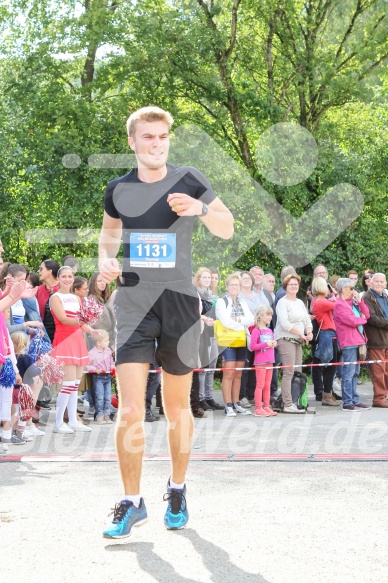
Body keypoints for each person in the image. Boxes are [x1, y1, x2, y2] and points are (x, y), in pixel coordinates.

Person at [98, 106, 233, 538]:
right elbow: (109, 234)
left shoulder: (188, 179)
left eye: (163, 137)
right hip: (134, 304)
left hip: (178, 302)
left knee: (177, 408)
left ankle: (177, 488)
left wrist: (199, 208)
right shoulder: (118, 189)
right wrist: (105, 262)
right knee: (132, 409)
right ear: (133, 142)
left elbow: (227, 227)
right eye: (148, 137)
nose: (157, 143)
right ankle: (131, 501)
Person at [50, 266, 92, 433]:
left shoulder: (77, 298)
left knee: (75, 384)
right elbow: (63, 319)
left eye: (70, 276)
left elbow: (82, 322)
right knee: (67, 384)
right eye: (64, 276)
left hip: (77, 340)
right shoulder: (55, 297)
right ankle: (58, 423)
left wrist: (91, 329)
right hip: (64, 340)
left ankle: (73, 420)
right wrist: (82, 320)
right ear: (58, 278)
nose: (67, 279)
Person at [215, 273, 254, 417]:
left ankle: (236, 403)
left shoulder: (242, 302)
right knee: (229, 372)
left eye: (236, 285)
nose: (234, 287)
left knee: (238, 373)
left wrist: (236, 319)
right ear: (227, 286)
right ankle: (228, 405)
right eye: (232, 285)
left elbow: (251, 319)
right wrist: (240, 322)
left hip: (241, 340)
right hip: (227, 342)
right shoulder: (221, 301)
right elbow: (225, 321)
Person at [274, 274, 313, 413]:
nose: (294, 286)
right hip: (285, 338)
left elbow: (307, 321)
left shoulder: (300, 302)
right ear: (286, 286)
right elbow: (284, 323)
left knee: (298, 371)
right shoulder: (282, 302)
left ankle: (296, 401)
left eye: (296, 284)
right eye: (291, 284)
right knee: (289, 371)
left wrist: (309, 332)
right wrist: (300, 334)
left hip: (298, 340)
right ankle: (287, 403)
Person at [333, 278, 370, 411]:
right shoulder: (339, 305)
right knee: (348, 374)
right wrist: (363, 320)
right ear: (343, 288)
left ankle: (355, 399)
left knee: (355, 373)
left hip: (359, 340)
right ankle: (347, 402)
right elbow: (352, 321)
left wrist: (360, 301)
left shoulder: (353, 302)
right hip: (348, 342)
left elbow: (367, 314)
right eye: (352, 288)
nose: (354, 291)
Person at [311, 277, 340, 406]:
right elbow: (337, 305)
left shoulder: (316, 302)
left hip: (327, 334)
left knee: (328, 365)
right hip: (327, 334)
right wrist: (335, 294)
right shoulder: (321, 302)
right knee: (331, 365)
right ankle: (327, 395)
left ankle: (326, 393)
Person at [363, 273, 388, 407]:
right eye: (376, 281)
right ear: (371, 283)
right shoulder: (367, 297)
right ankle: (379, 399)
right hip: (376, 339)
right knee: (378, 371)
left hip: (386, 339)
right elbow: (371, 318)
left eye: (382, 282)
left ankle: (384, 396)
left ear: (385, 284)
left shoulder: (385, 296)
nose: (379, 284)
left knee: (386, 370)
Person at [250, 305, 277, 417]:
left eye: (271, 315)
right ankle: (258, 408)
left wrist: (274, 344)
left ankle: (266, 406)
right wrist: (266, 344)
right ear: (260, 316)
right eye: (268, 314)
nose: (270, 317)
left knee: (267, 385)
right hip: (261, 362)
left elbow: (271, 343)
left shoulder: (270, 330)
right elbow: (252, 346)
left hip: (270, 361)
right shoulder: (256, 330)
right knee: (260, 385)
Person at [86, 330, 115, 424]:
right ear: (98, 343)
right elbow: (87, 365)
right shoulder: (92, 353)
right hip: (98, 377)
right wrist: (95, 369)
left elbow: (111, 361)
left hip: (108, 376)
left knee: (107, 397)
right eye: (106, 341)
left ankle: (107, 415)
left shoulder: (108, 351)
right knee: (99, 397)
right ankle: (99, 415)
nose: (108, 342)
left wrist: (112, 367)